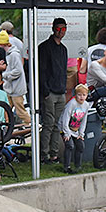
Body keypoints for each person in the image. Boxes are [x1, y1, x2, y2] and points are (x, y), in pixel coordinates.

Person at [37, 18, 69, 162]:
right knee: (49, 124)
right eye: (58, 28)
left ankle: (54, 153)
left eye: (64, 29)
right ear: (53, 28)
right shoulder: (44, 47)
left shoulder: (63, 49)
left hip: (60, 91)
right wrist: (45, 91)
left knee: (57, 124)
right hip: (49, 92)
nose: (61, 32)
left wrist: (64, 89)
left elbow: (64, 71)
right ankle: (44, 154)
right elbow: (41, 71)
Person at [0, 30, 30, 128]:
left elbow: (18, 71)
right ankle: (7, 126)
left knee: (20, 110)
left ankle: (30, 125)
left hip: (16, 88)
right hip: (10, 88)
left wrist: (5, 75)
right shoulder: (10, 54)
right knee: (6, 109)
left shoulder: (14, 54)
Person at [59, 84, 91, 174]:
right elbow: (65, 118)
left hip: (75, 130)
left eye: (84, 95)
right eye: (79, 95)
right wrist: (66, 133)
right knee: (70, 145)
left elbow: (84, 119)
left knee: (80, 146)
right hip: (66, 128)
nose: (81, 97)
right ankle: (67, 167)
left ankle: (78, 166)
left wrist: (81, 133)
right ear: (76, 95)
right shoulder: (71, 104)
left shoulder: (86, 105)